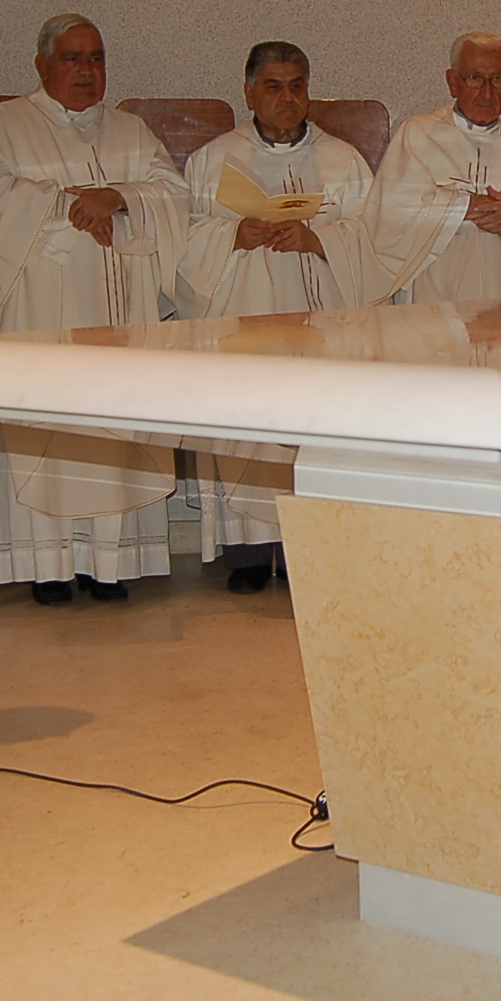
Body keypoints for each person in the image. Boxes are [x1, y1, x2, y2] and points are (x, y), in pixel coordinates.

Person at [0, 14, 193, 605]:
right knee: (54, 424)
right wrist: (71, 212)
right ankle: (49, 565)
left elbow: (172, 193)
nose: (87, 71)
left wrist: (117, 197)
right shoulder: (6, 125)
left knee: (110, 424)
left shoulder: (130, 131)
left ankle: (108, 565)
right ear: (42, 66)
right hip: (45, 306)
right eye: (72, 58)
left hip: (119, 307)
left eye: (96, 58)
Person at [180, 41, 379, 592]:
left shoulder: (344, 162)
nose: (286, 98)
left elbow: (375, 239)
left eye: (296, 86)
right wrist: (232, 234)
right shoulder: (213, 161)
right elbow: (182, 241)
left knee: (310, 430)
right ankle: (247, 553)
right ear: (248, 92)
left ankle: (305, 550)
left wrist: (320, 239)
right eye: (273, 86)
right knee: (249, 428)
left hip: (321, 326)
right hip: (245, 321)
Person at [367, 31, 501, 302]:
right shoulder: (418, 136)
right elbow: (389, 219)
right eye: (475, 78)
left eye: (497, 79)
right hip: (435, 300)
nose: (487, 92)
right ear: (452, 82)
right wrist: (465, 206)